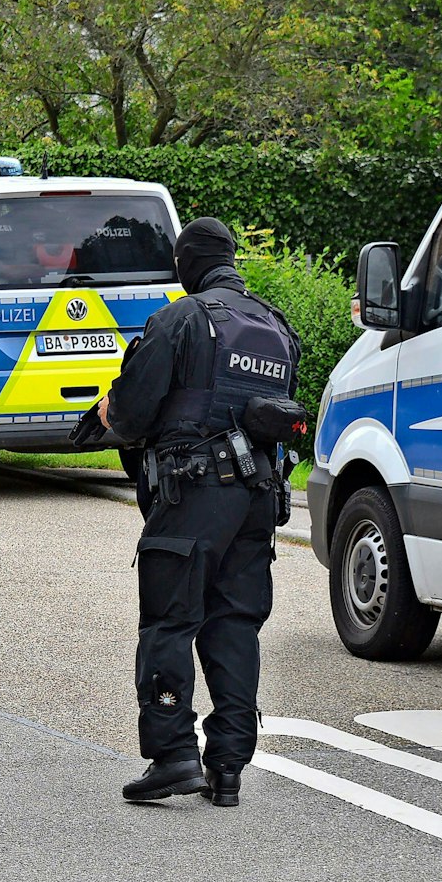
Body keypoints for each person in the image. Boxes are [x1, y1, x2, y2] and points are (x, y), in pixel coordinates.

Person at [97, 217, 300, 810]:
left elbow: (132, 416)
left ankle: (173, 755)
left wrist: (112, 412)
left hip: (194, 491)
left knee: (169, 618)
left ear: (188, 265)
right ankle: (228, 767)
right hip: (258, 497)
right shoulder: (275, 325)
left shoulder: (180, 321)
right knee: (234, 624)